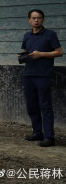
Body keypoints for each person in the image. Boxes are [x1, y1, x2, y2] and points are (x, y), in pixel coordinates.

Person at [20, 9, 63, 147]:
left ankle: (49, 137)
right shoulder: (26, 36)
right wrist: (22, 56)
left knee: (45, 106)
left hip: (43, 75)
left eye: (38, 18)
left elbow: (59, 52)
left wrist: (41, 54)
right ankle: (37, 132)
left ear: (43, 19)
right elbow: (25, 52)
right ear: (29, 20)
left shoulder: (50, 35)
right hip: (28, 74)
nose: (36, 20)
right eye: (33, 18)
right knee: (31, 106)